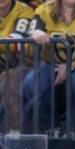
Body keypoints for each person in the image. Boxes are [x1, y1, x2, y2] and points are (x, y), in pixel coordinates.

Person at [22, 0, 75, 133]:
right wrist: (34, 37)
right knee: (32, 83)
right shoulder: (44, 10)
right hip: (51, 65)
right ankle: (52, 129)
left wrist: (72, 65)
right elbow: (27, 45)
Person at [0, 0, 34, 132]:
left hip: (21, 64)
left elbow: (14, 42)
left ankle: (15, 136)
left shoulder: (25, 11)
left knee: (9, 82)